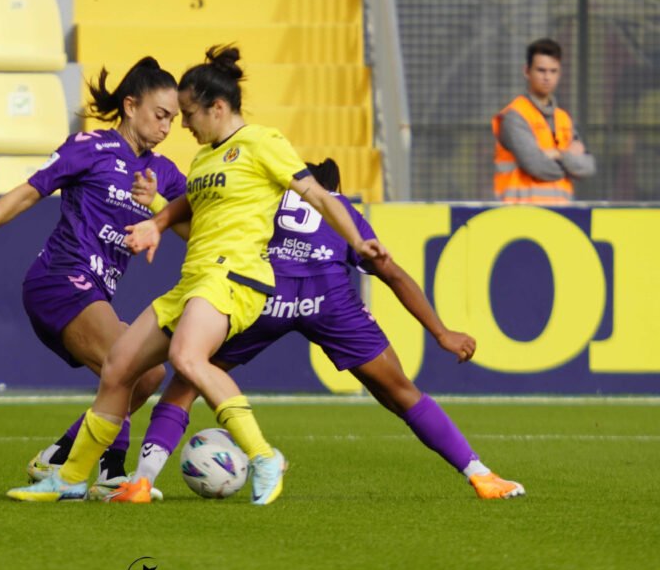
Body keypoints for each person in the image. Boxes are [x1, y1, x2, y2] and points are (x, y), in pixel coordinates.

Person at [7, 45, 386, 505]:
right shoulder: (206, 160)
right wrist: (155, 219)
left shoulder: (264, 142)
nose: (181, 125)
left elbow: (320, 197)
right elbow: (186, 210)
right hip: (195, 279)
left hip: (235, 278)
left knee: (188, 360)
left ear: (217, 106)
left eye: (187, 113)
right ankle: (68, 478)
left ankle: (263, 457)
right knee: (120, 367)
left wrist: (358, 239)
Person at [109, 159, 525, 503]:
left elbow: (206, 231)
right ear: (332, 187)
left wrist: (158, 206)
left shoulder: (263, 200)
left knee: (189, 376)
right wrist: (441, 333)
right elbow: (391, 273)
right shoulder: (341, 209)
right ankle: (481, 476)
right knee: (399, 391)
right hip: (327, 299)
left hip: (265, 295)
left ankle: (143, 482)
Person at [0, 58, 186, 497]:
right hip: (59, 279)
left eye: (174, 119)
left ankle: (58, 456)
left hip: (97, 290)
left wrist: (159, 204)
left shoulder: (162, 173)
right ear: (130, 105)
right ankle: (108, 470)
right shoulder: (90, 147)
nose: (167, 127)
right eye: (160, 115)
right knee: (122, 366)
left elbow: (193, 227)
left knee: (148, 376)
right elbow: (28, 192)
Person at [492, 38, 595, 204]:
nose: (547, 77)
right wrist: (569, 162)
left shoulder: (563, 119)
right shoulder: (515, 116)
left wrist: (558, 154)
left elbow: (587, 167)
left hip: (561, 217)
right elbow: (537, 166)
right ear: (526, 71)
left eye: (553, 71)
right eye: (541, 70)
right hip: (521, 216)